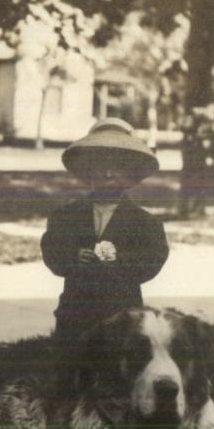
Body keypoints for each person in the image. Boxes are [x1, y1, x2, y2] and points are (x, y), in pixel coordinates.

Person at [41, 117, 170, 351]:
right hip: (75, 312)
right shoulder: (65, 217)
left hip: (123, 314)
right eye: (100, 165)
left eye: (118, 166)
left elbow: (152, 260)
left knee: (120, 369)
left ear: (132, 175)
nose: (108, 173)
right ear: (87, 172)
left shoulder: (145, 223)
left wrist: (119, 260)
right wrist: (73, 256)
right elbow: (52, 252)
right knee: (73, 366)